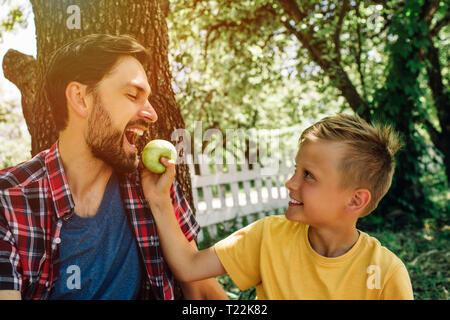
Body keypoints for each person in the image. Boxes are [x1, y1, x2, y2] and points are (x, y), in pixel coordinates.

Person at [0, 34, 227, 300]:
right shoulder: (9, 201)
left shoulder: (154, 185)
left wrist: (161, 203)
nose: (152, 114)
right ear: (81, 98)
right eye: (133, 95)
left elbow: (201, 291)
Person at [144, 113, 414, 299]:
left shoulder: (387, 274)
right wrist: (159, 200)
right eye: (296, 169)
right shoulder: (268, 237)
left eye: (308, 175)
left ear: (355, 200)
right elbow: (189, 266)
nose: (290, 182)